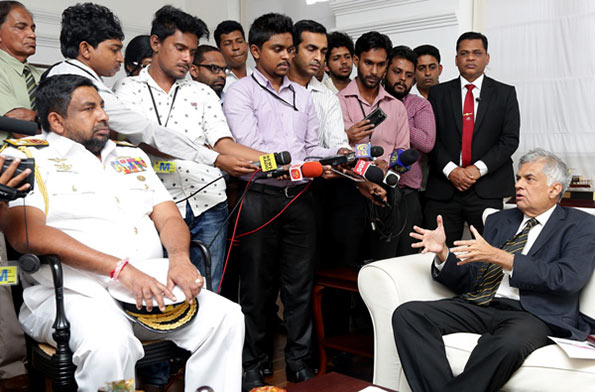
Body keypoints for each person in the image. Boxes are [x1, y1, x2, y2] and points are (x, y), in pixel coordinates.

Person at [2, 73, 244, 392]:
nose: (103, 115)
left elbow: (169, 216)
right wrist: (121, 270)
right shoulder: (27, 156)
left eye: (102, 106)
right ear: (57, 121)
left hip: (149, 285)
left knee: (226, 316)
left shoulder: (131, 155)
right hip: (72, 293)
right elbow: (28, 236)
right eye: (89, 109)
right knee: (110, 343)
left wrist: (181, 259)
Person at [393, 149, 595, 392]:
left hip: (534, 314)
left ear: (554, 189)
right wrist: (444, 254)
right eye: (518, 178)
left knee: (508, 343)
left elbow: (567, 279)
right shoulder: (500, 220)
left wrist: (503, 258)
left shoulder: (581, 225)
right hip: (483, 304)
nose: (518, 185)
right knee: (408, 314)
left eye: (529, 179)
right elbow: (474, 277)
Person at [223, 12, 341, 391]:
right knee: (256, 287)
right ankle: (253, 364)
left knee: (299, 286)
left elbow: (308, 148)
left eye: (290, 49)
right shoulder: (240, 92)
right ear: (255, 51)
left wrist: (336, 153)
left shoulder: (304, 95)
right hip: (258, 197)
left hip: (301, 198)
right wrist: (299, 163)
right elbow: (248, 147)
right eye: (278, 49)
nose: (286, 56)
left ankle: (300, 362)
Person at [114, 4, 260, 297]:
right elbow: (147, 142)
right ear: (156, 42)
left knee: (209, 291)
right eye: (180, 48)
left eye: (192, 52)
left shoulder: (203, 92)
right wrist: (217, 158)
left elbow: (223, 143)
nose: (186, 58)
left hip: (209, 203)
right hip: (155, 207)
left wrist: (271, 160)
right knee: (164, 293)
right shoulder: (128, 90)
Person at [48, 3, 247, 174]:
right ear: (85, 49)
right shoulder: (73, 82)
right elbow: (146, 131)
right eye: (114, 49)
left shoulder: (76, 77)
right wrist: (214, 158)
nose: (120, 58)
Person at [424, 32, 520, 247]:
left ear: (487, 58)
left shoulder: (505, 93)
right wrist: (452, 171)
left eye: (477, 53)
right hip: (444, 190)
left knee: (488, 256)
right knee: (438, 255)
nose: (470, 58)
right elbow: (430, 140)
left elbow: (509, 140)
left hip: (487, 189)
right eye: (464, 53)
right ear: (456, 59)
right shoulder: (438, 93)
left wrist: (477, 169)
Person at [384, 45, 436, 256]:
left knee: (406, 256)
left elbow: (426, 143)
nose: (402, 79)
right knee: (377, 257)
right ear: (386, 69)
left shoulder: (419, 105)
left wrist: (398, 116)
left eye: (408, 75)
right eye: (397, 72)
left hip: (406, 193)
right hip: (372, 190)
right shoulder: (371, 101)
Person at [287, 19, 349, 149]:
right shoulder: (271, 88)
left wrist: (347, 156)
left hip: (315, 168)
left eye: (323, 52)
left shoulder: (328, 98)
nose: (319, 58)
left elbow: (338, 145)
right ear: (292, 50)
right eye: (311, 49)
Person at [0, 1, 41, 140]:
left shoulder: (43, 75)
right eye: (21, 27)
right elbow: (18, 126)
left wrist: (36, 119)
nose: (32, 35)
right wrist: (52, 122)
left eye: (33, 28)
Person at [214, 20, 251, 94]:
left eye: (239, 41)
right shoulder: (218, 82)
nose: (235, 47)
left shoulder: (258, 76)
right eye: (228, 44)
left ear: (247, 46)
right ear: (219, 51)